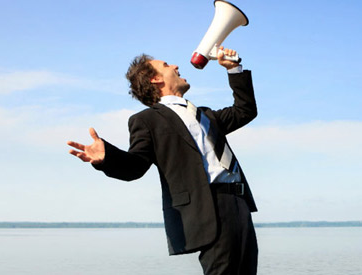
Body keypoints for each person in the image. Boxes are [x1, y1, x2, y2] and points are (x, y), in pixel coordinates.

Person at [66, 47, 258, 275]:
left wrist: (234, 69)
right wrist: (107, 158)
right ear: (155, 79)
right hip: (207, 207)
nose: (176, 66)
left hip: (238, 202)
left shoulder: (206, 116)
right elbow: (135, 166)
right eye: (166, 65)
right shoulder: (147, 120)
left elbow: (245, 110)